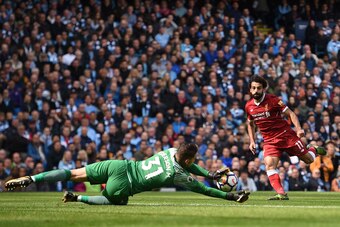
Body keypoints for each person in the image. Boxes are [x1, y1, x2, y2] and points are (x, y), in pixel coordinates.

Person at [5, 143, 250, 205]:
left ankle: (32, 178)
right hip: (125, 184)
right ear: (187, 159)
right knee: (116, 201)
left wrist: (208, 172)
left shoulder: (171, 150)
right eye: (193, 160)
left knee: (71, 173)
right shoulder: (178, 175)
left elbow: (189, 166)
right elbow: (204, 189)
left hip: (119, 165)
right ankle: (77, 198)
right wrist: (229, 196)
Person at [245, 75, 326, 200]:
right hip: (270, 141)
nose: (256, 91)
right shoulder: (249, 106)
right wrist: (252, 141)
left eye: (259, 88)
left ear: (263, 89)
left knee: (308, 160)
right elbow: (250, 124)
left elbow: (291, 114)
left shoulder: (273, 100)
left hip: (286, 136)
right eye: (253, 88)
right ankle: (281, 193)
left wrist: (299, 129)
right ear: (250, 90)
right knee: (270, 165)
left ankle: (313, 149)